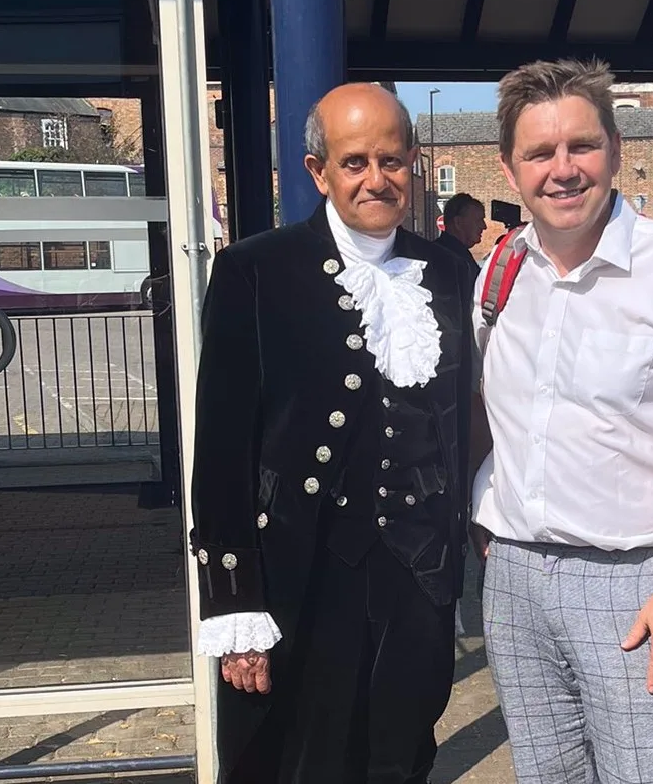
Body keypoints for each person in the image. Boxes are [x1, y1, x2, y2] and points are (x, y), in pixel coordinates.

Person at [469, 58, 653, 784]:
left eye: (581, 147)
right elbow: (485, 407)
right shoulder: (499, 274)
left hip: (635, 584)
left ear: (616, 152)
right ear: (510, 170)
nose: (562, 170)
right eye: (539, 152)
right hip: (514, 580)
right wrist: (486, 519)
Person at [188, 82, 473, 784]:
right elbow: (222, 448)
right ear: (318, 171)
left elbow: (469, 417)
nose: (376, 179)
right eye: (354, 163)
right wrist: (236, 607)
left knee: (399, 756)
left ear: (412, 162)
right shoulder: (255, 269)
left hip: (416, 575)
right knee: (294, 761)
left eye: (392, 160)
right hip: (298, 573)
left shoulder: (447, 271)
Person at [435, 192, 485, 291]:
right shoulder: (448, 259)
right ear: (458, 223)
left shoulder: (455, 254)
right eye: (479, 220)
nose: (484, 226)